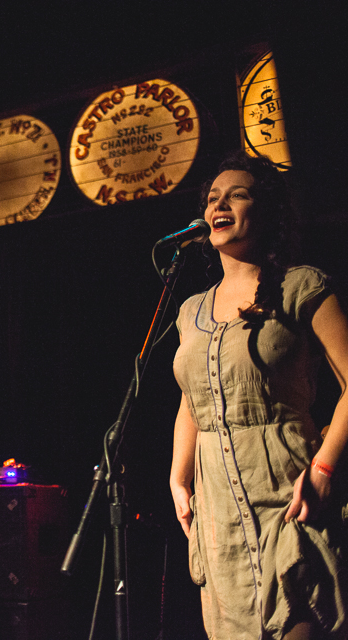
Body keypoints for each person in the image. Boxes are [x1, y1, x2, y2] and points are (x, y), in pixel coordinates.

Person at [169, 153, 348, 639]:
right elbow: (193, 396)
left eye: (237, 194)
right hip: (217, 503)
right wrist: (178, 475)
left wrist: (326, 467)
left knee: (300, 615)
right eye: (212, 198)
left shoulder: (300, 286)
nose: (219, 205)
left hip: (288, 488)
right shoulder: (191, 310)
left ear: (266, 211)